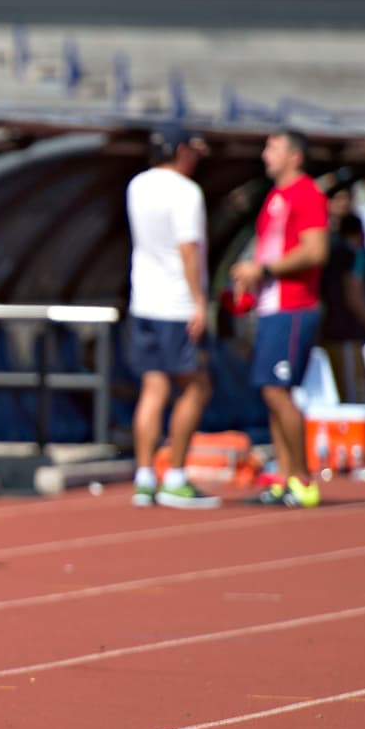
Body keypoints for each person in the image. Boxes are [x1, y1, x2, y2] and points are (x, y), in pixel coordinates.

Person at [231, 130, 328, 507]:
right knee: (271, 392)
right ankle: (285, 478)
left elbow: (315, 251)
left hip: (294, 304)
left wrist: (265, 269)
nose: (264, 154)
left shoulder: (306, 194)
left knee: (278, 391)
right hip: (272, 306)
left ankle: (302, 478)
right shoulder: (275, 197)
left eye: (273, 147)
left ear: (295, 157)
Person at [125, 123, 219, 509]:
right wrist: (199, 301)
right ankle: (176, 475)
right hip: (176, 303)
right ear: (181, 151)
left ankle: (145, 476)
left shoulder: (137, 185)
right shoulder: (186, 192)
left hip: (144, 300)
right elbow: (188, 249)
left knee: (154, 387)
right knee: (196, 387)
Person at [320, 210, 365, 401]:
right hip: (349, 336)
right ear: (359, 234)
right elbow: (355, 296)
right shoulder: (353, 255)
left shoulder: (331, 252)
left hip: (329, 334)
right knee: (354, 400)